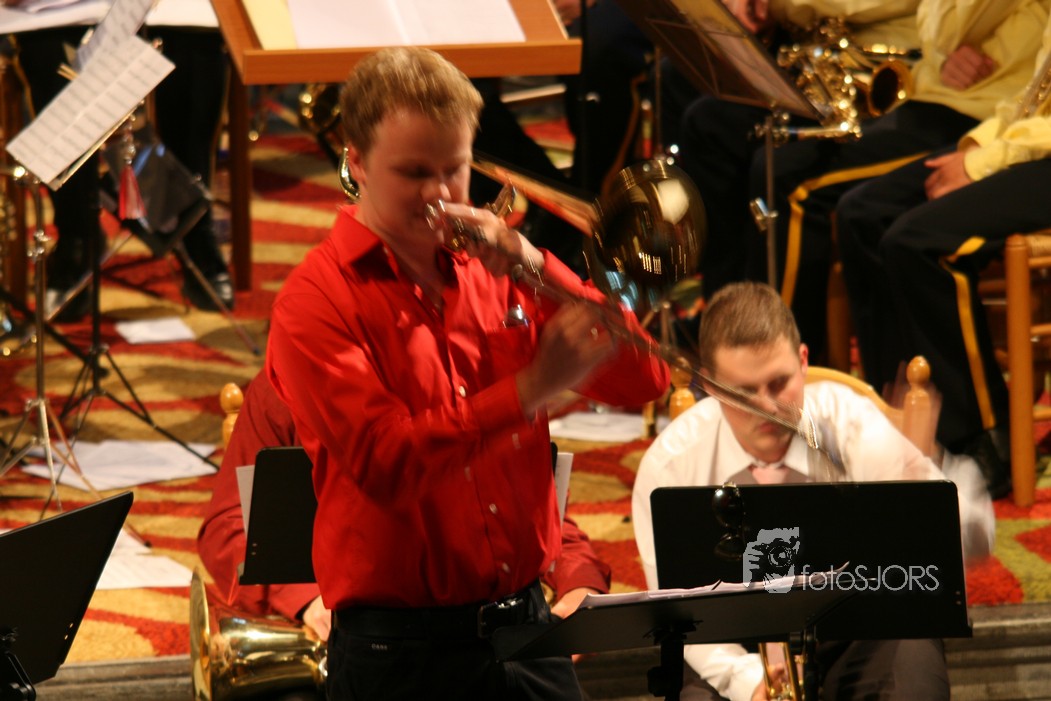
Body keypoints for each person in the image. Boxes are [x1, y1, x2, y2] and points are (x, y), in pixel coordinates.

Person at [264, 47, 670, 700]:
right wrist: (530, 389)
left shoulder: (499, 266)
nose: (440, 194)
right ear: (356, 162)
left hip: (525, 627)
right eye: (413, 172)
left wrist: (534, 262)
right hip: (399, 655)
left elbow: (644, 380)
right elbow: (386, 462)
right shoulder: (314, 301)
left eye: (453, 169)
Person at [632, 281, 994, 701]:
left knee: (911, 664)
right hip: (731, 646)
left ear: (803, 361)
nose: (766, 406)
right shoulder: (669, 465)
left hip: (854, 630)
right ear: (710, 386)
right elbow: (679, 614)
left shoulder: (852, 426)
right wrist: (750, 681)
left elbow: (971, 542)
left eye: (778, 383)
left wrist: (933, 495)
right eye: (743, 391)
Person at [197, 371, 613, 699]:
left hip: (486, 638)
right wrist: (304, 600)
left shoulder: (478, 378)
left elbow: (534, 513)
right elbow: (228, 525)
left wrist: (579, 585)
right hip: (365, 642)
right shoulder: (286, 383)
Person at [738, 0, 1049, 360]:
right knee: (851, 205)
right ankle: (882, 385)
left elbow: (951, 29)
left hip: (981, 115)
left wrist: (984, 158)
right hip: (974, 113)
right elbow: (936, 28)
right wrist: (943, 58)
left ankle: (781, 364)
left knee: (809, 189)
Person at [834, 18, 1051, 501]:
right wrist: (980, 147)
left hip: (1040, 155)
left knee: (918, 241)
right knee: (862, 213)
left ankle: (985, 439)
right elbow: (1033, 99)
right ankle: (901, 418)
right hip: (1023, 144)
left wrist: (983, 162)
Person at [675, 0, 923, 310]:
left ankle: (778, 331)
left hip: (883, 75)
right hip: (824, 62)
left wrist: (779, 5)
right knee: (709, 124)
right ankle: (728, 310)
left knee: (782, 171)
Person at [9, 1, 234, 321]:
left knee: (198, 49)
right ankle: (77, 236)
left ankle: (194, 231)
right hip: (67, 7)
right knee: (49, 56)